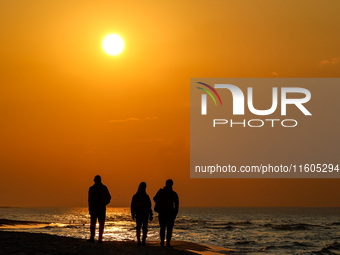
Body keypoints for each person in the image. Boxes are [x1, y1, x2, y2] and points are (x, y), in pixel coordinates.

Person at [153, 179, 179, 247]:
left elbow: (154, 199)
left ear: (165, 183)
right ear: (172, 184)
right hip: (170, 213)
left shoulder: (161, 192)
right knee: (169, 229)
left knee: (162, 228)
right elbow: (176, 205)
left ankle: (162, 242)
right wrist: (175, 214)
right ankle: (168, 243)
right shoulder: (173, 194)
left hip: (162, 213)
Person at [87, 175, 111, 243]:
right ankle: (97, 238)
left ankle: (95, 238)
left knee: (96, 224)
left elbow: (108, 197)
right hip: (98, 209)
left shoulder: (94, 188)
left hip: (97, 208)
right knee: (98, 224)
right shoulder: (97, 188)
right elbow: (89, 200)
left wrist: (103, 204)